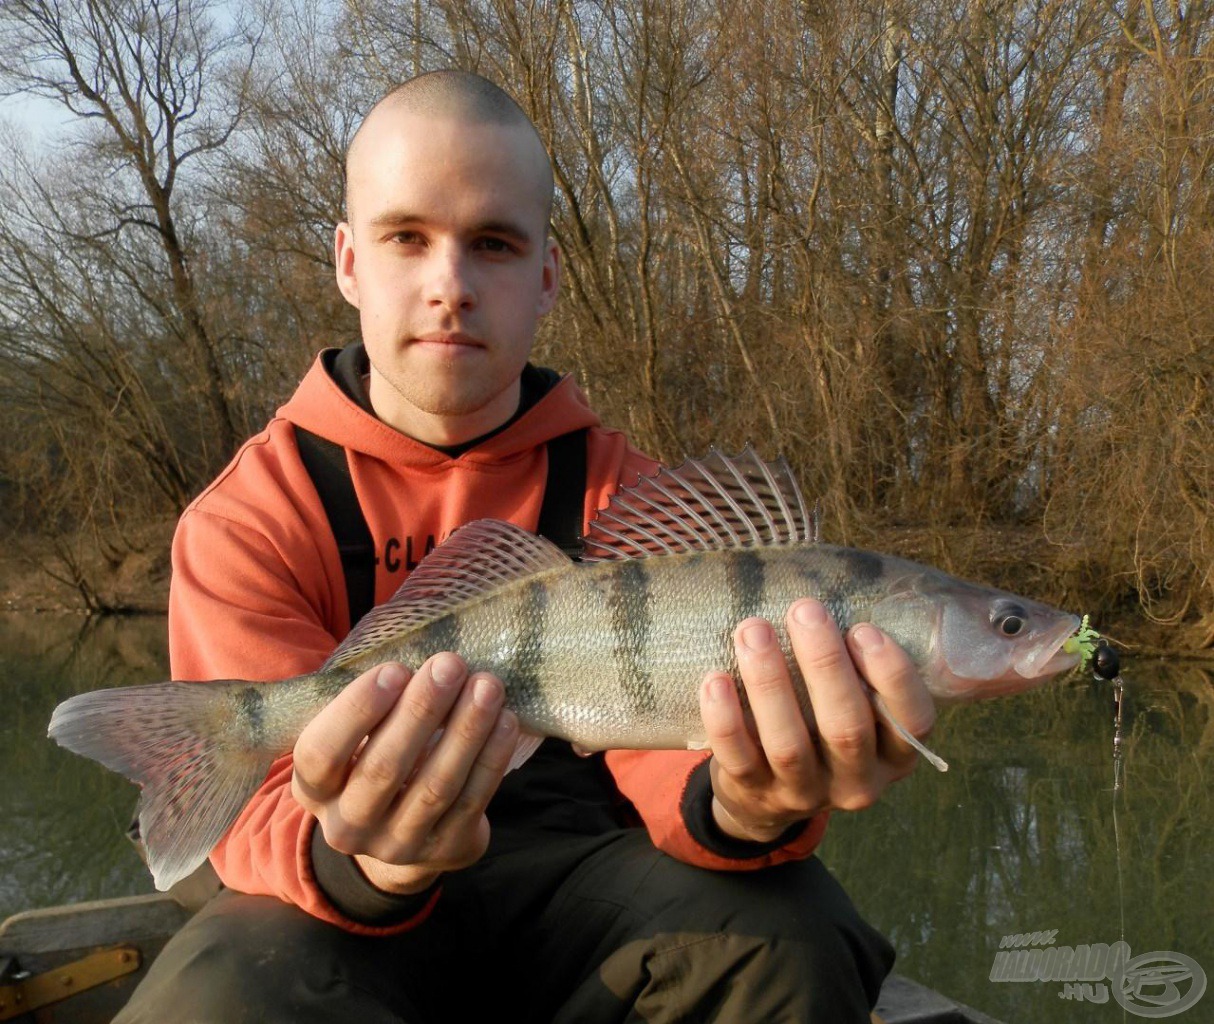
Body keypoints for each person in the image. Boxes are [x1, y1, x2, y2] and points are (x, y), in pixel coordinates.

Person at [116, 70, 936, 1023]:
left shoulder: (630, 497)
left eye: (494, 244)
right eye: (405, 238)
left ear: (547, 274)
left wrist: (751, 803)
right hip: (337, 905)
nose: (450, 286)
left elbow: (668, 753)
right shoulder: (250, 514)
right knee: (218, 998)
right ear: (348, 262)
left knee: (793, 938)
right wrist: (372, 857)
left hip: (577, 879)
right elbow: (256, 812)